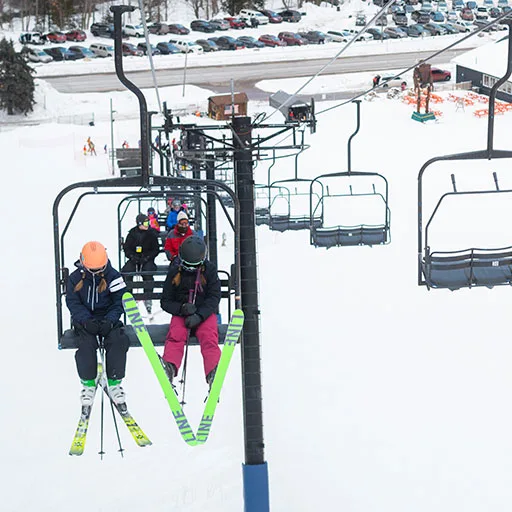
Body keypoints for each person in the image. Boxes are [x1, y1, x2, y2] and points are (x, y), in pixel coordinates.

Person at [66, 241, 130, 406]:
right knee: (86, 343)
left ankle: (115, 383)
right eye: (92, 269)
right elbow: (73, 302)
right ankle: (88, 383)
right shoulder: (74, 278)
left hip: (108, 318)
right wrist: (85, 320)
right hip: (85, 320)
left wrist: (110, 319)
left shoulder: (114, 277)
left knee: (118, 340)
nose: (95, 272)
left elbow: (120, 301)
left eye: (99, 269)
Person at [160, 236, 221, 388]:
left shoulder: (210, 271)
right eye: (188, 266)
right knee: (176, 334)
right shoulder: (175, 271)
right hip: (183, 313)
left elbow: (214, 296)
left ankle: (213, 371)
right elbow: (165, 301)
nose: (192, 270)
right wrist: (181, 308)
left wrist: (200, 315)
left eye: (195, 266)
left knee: (208, 335)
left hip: (203, 314)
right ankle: (170, 366)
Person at [121, 214, 160, 314]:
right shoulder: (132, 234)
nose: (147, 225)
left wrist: (147, 257)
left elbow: (155, 249)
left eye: (148, 222)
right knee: (126, 271)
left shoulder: (151, 234)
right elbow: (127, 248)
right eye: (145, 223)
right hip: (135, 258)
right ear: (139, 224)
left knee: (147, 272)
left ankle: (148, 298)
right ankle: (129, 296)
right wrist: (132, 256)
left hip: (147, 259)